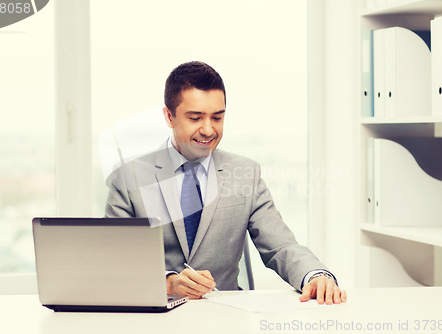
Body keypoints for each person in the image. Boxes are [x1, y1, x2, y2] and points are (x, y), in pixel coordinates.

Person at [105, 61, 346, 305]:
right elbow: (114, 262)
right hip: (155, 316)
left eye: (217, 117)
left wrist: (315, 275)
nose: (208, 130)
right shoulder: (128, 179)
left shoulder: (245, 174)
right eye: (195, 117)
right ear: (169, 116)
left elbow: (281, 246)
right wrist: (167, 283)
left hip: (227, 315)